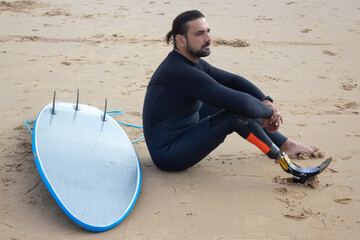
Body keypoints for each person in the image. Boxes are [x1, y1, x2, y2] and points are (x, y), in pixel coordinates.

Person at [142, 10, 317, 173]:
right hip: (169, 154)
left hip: (183, 127)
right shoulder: (180, 72)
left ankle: (285, 144)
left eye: (208, 31)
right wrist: (270, 113)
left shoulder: (191, 62)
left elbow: (233, 80)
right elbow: (243, 104)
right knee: (236, 114)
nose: (208, 38)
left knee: (238, 104)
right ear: (180, 40)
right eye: (199, 34)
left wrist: (265, 101)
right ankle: (290, 167)